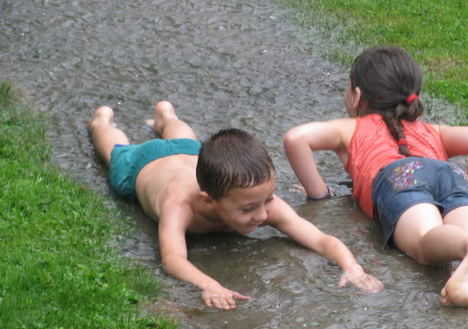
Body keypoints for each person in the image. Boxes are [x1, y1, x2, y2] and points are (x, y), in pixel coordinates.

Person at [283, 45, 468, 307]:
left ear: (356, 96)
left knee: (423, 241)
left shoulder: (351, 127)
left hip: (399, 177)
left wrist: (319, 193)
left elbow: (296, 138)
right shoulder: (432, 130)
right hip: (451, 175)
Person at [88, 100, 383, 310]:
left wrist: (351, 266)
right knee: (117, 151)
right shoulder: (179, 205)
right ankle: (102, 122)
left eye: (268, 199)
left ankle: (166, 115)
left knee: (184, 137)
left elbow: (319, 238)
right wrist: (209, 284)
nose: (263, 214)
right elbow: (173, 258)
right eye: (248, 209)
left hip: (189, 153)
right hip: (144, 165)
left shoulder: (256, 199)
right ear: (209, 200)